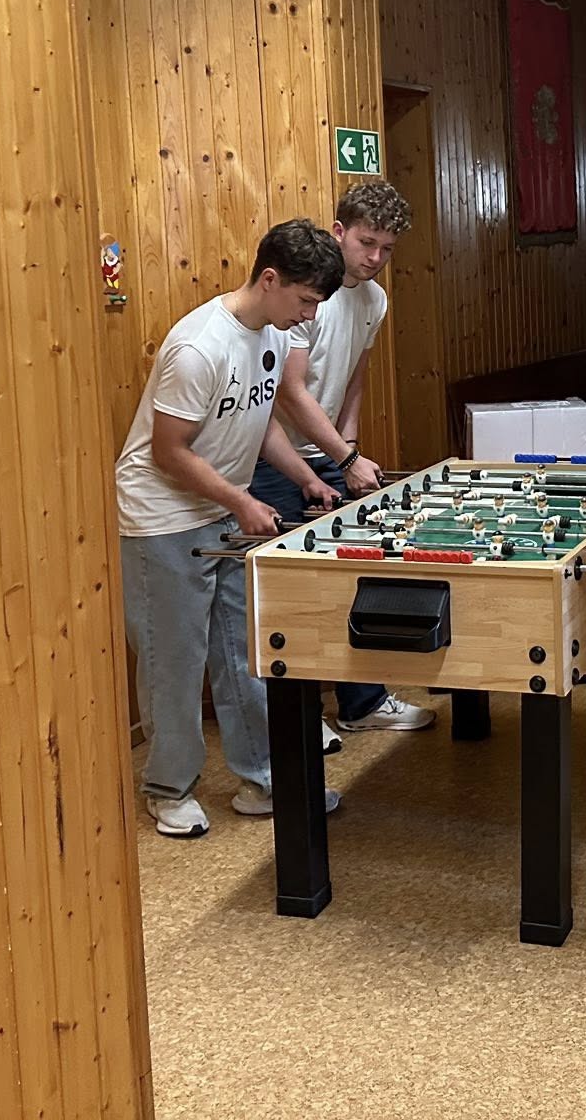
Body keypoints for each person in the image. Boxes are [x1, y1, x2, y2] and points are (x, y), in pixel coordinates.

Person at [114, 220, 345, 839]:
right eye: (304, 300)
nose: (307, 316)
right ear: (269, 279)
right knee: (174, 659)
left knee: (244, 648)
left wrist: (307, 479)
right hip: (161, 518)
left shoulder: (268, 333)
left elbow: (259, 421)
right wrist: (241, 500)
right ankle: (168, 789)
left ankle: (264, 776)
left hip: (217, 508)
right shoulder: (199, 347)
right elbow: (168, 451)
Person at [249, 181, 433, 745]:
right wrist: (344, 456)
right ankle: (299, 722)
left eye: (387, 248)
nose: (375, 257)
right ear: (339, 232)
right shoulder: (312, 294)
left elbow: (355, 374)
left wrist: (348, 445)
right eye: (366, 242)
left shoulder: (374, 300)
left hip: (329, 451)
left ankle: (363, 703)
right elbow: (289, 392)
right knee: (292, 592)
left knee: (358, 575)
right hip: (271, 455)